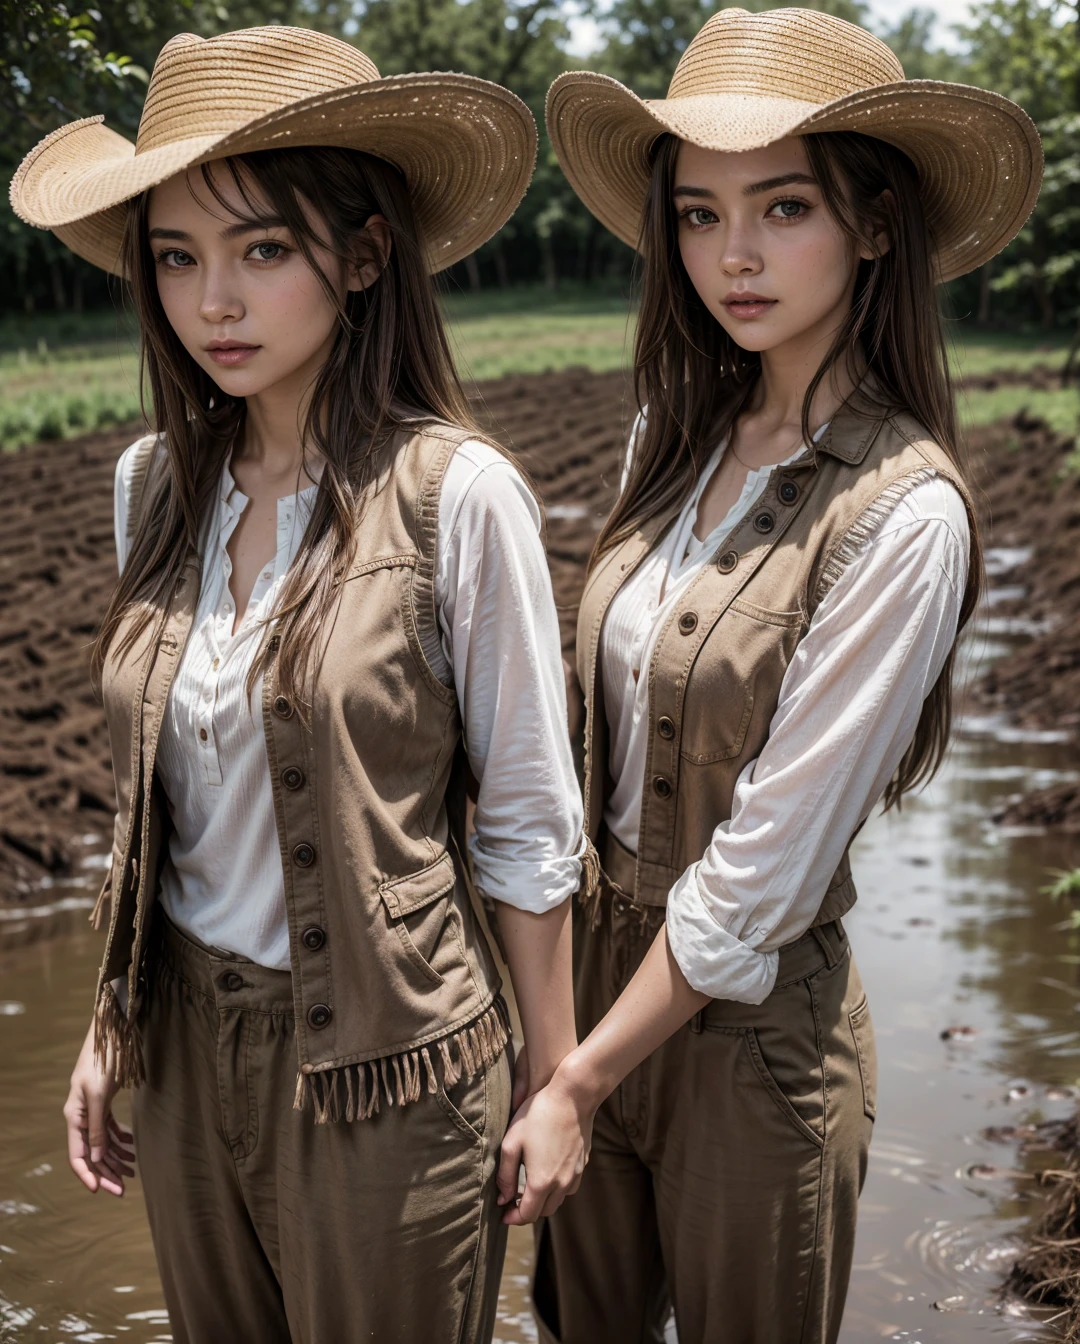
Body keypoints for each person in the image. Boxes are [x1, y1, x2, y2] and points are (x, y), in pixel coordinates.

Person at [12, 25, 586, 1343]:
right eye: (175, 255)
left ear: (363, 255)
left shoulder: (459, 495)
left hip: (394, 1075)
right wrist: (111, 1023)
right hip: (187, 1055)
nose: (211, 298)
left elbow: (528, 823)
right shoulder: (153, 486)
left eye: (262, 249)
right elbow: (148, 806)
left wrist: (555, 1083)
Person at [496, 8, 1043, 1342]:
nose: (730, 256)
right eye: (697, 215)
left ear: (871, 224)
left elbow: (763, 870)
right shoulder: (670, 443)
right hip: (590, 999)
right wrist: (551, 1040)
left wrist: (576, 1079)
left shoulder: (906, 513)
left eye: (781, 207)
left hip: (749, 1037)